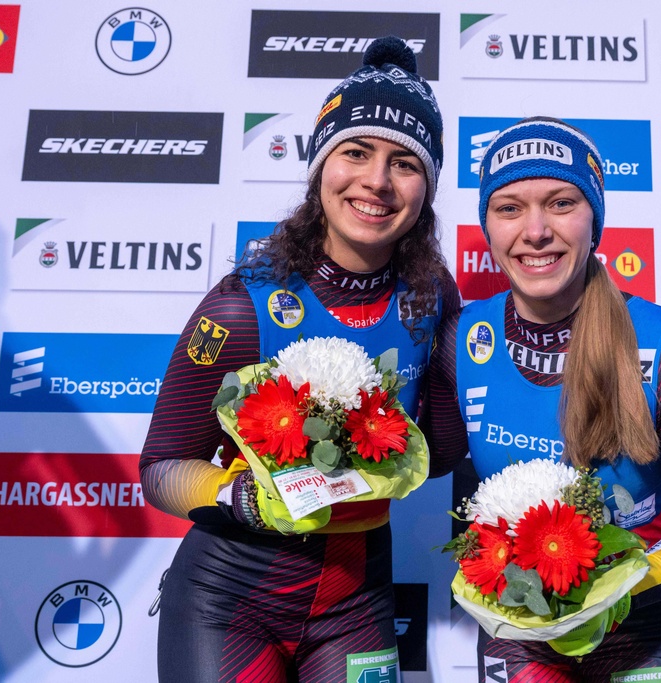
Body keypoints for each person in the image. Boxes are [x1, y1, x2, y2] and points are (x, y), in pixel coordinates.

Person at [140, 36, 457, 682]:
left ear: (427, 185)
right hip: (229, 600)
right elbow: (160, 467)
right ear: (320, 166)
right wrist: (240, 494)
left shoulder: (433, 301)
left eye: (405, 163)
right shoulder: (243, 303)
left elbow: (444, 454)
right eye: (357, 152)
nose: (376, 181)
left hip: (356, 600)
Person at [421, 117, 661, 682]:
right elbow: (435, 457)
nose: (536, 230)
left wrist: (609, 595)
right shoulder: (458, 341)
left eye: (562, 203)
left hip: (650, 628)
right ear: (488, 227)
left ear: (595, 220)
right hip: (524, 630)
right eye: (510, 207)